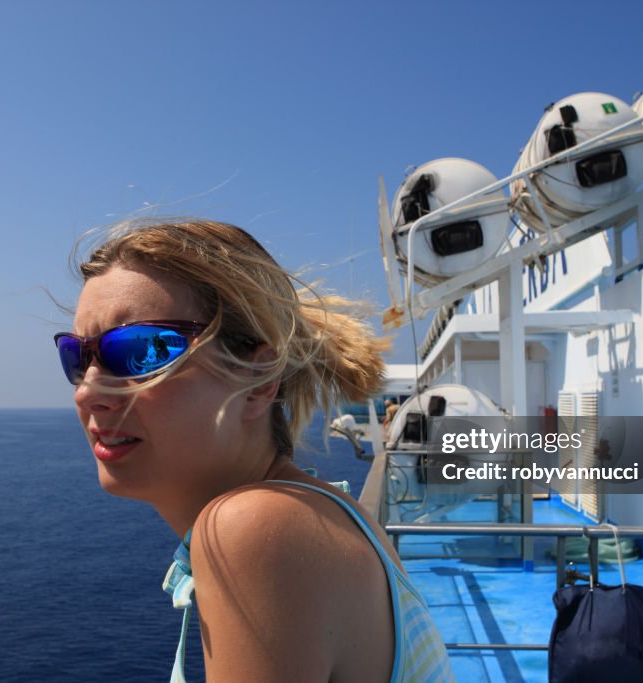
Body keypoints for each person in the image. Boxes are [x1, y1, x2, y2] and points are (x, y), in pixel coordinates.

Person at [54, 219, 454, 682]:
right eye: (77, 357)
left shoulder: (256, 530)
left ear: (258, 381)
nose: (87, 392)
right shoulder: (317, 513)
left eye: (141, 351)